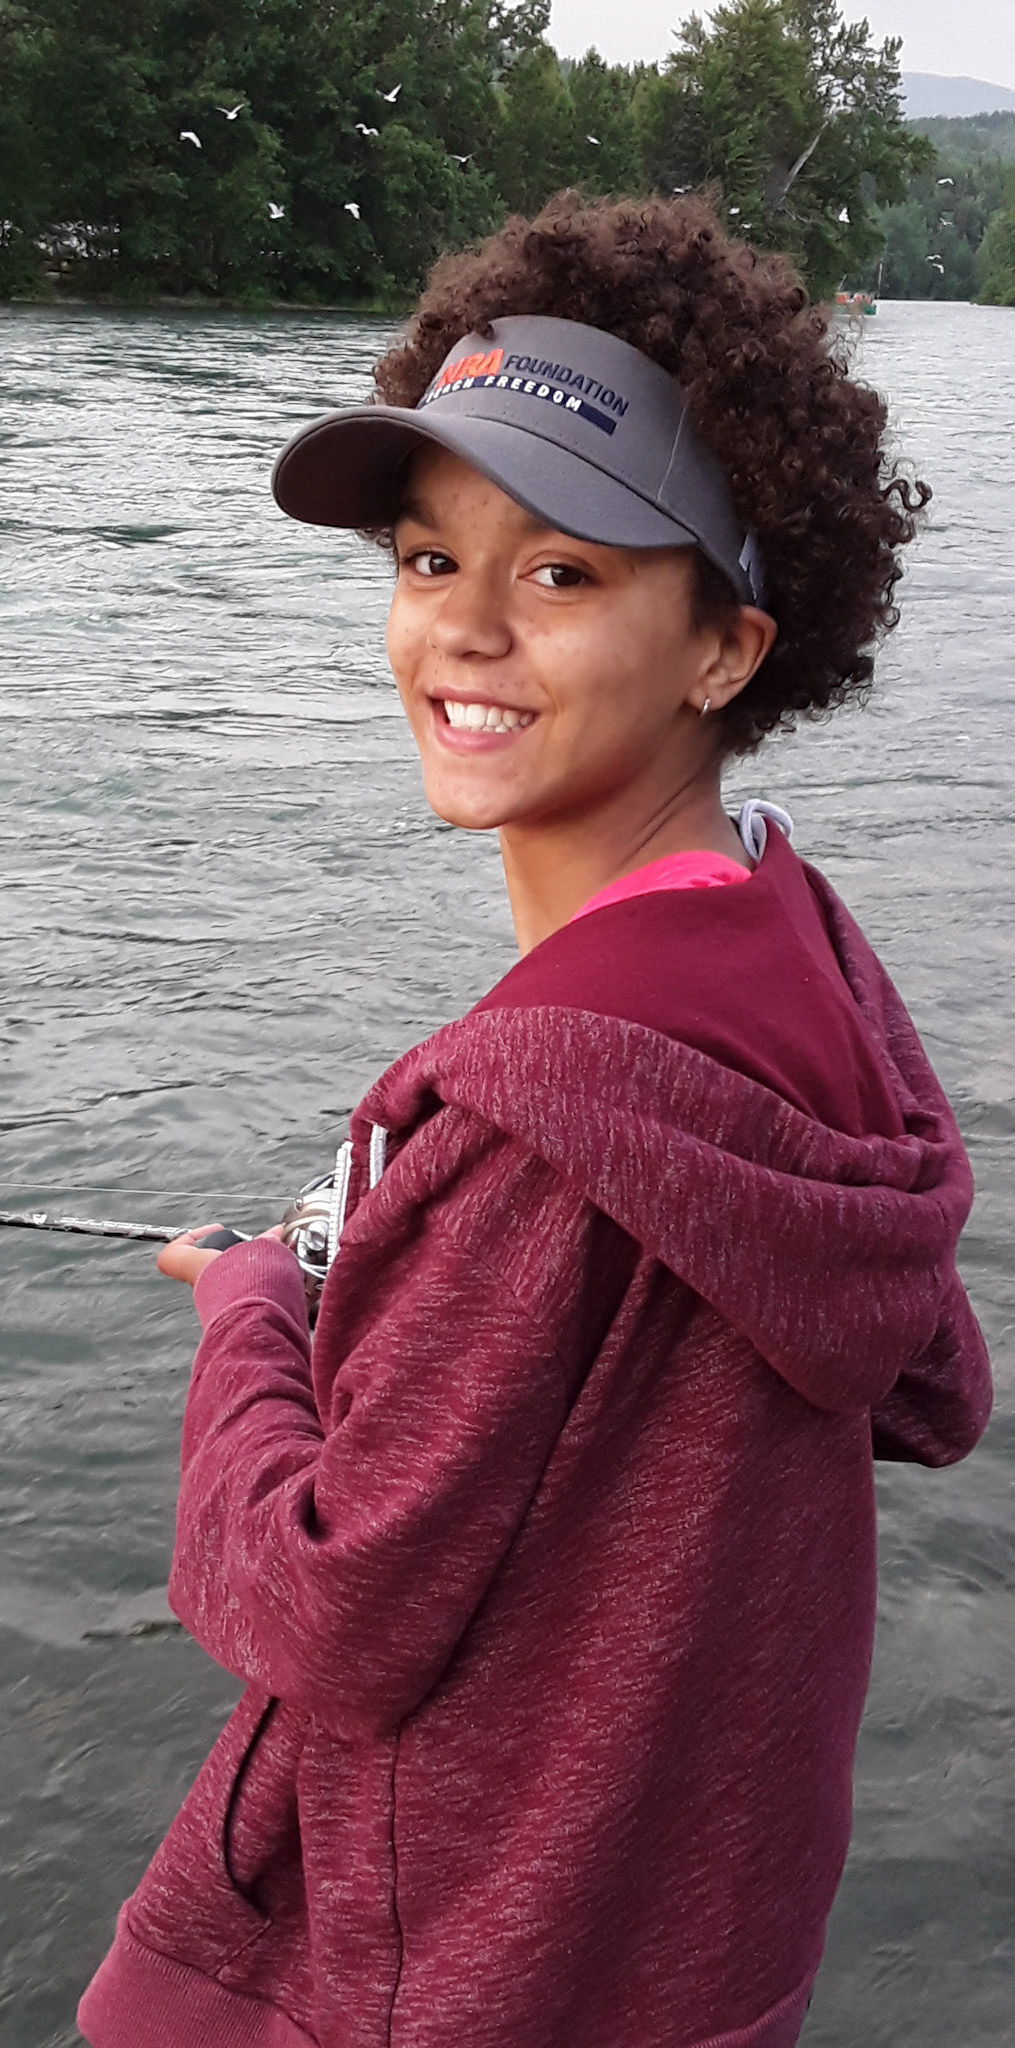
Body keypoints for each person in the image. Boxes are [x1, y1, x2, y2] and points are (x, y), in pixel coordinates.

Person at [77, 194, 991, 2048]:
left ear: (725, 650)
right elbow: (929, 1384)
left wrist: (251, 1311)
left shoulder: (535, 1116)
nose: (465, 632)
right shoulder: (794, 946)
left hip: (462, 1978)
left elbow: (331, 1610)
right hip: (695, 1949)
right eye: (430, 558)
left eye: (562, 573)